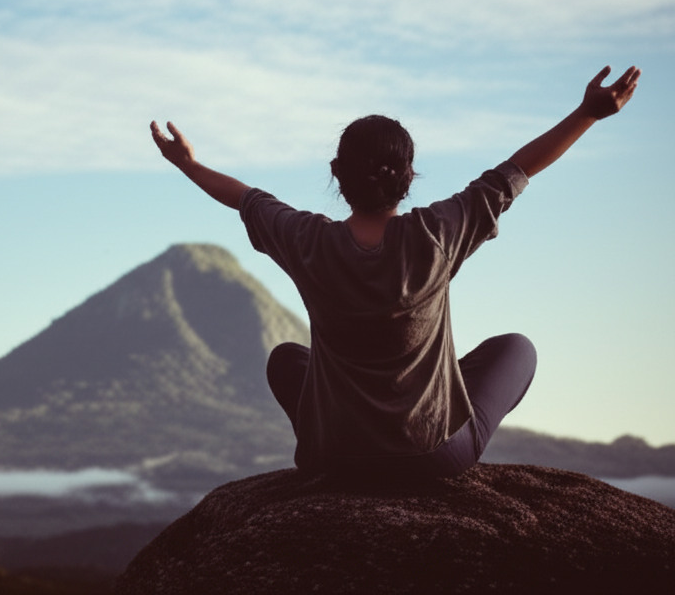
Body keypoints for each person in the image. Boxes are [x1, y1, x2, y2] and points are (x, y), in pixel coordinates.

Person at [150, 65, 640, 482]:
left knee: (285, 358)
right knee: (517, 349)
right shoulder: (438, 232)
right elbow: (515, 172)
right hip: (433, 457)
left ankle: (334, 441)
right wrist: (587, 114)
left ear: (336, 174)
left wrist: (188, 164)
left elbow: (244, 196)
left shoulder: (306, 241)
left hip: (334, 456)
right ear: (408, 177)